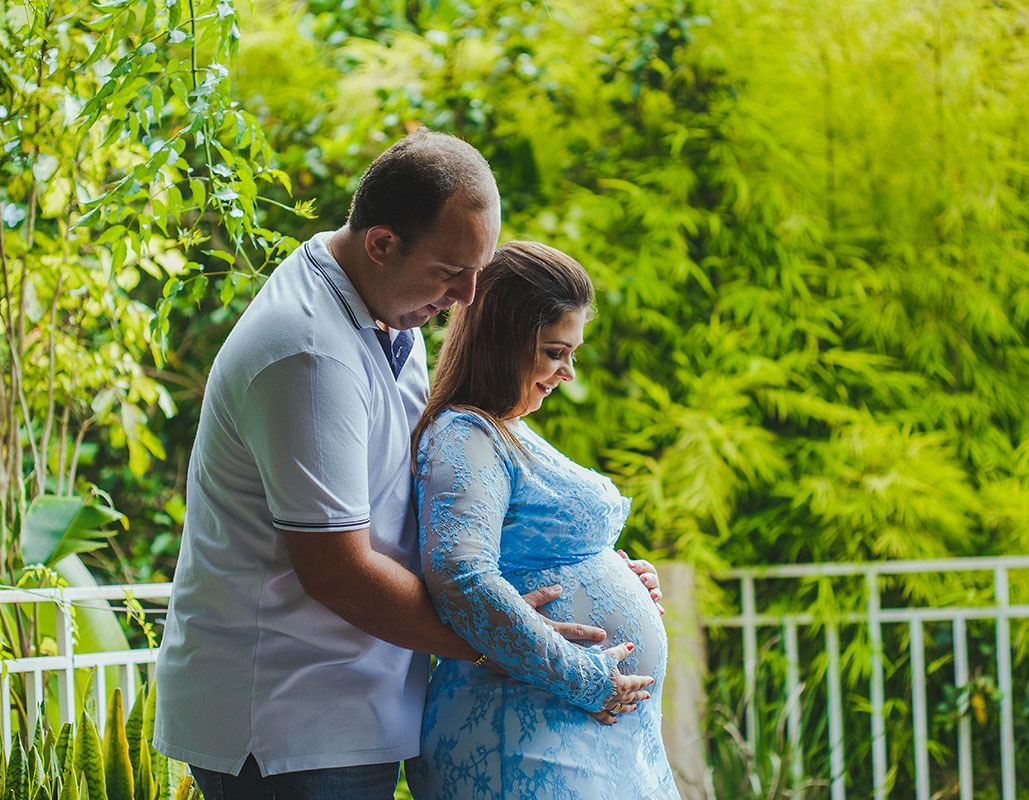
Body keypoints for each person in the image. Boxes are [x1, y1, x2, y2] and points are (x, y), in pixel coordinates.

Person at [152, 130, 655, 799]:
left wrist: (576, 570)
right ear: (382, 244)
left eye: (478, 270)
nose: (468, 296)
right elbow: (339, 572)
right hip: (289, 720)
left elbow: (424, 505)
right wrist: (507, 641)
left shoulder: (390, 311)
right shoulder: (308, 355)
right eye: (451, 272)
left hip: (355, 703)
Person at [407, 241, 681, 799]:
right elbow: (461, 575)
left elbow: (532, 551)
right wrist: (586, 679)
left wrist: (618, 576)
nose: (568, 373)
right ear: (504, 338)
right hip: (518, 736)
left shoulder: (506, 428)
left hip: (562, 732)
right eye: (556, 352)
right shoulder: (466, 432)